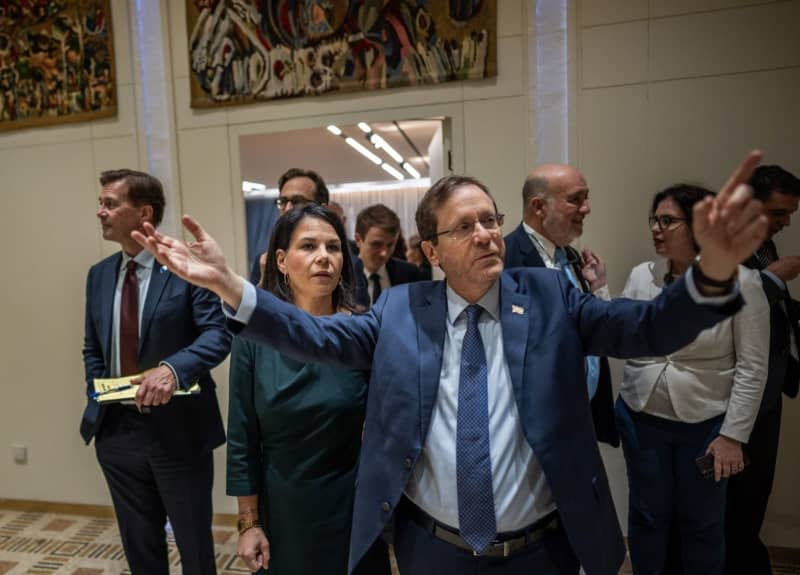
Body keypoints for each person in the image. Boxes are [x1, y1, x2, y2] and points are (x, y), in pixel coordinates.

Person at [134, 152, 768, 575]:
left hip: (542, 549)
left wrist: (712, 273)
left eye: (491, 220)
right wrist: (230, 288)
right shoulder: (400, 311)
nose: (488, 234)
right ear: (433, 251)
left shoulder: (550, 298)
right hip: (432, 547)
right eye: (467, 227)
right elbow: (315, 336)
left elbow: (648, 327)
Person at [81, 169, 231, 574]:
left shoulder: (186, 267)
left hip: (178, 431)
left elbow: (218, 336)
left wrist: (172, 370)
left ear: (144, 212)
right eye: (101, 203)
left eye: (110, 204)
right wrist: (100, 394)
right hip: (117, 434)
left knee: (194, 547)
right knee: (140, 547)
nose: (100, 212)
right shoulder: (98, 276)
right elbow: (92, 349)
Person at [227, 204, 390, 574]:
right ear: (281, 261)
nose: (324, 258)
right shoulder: (254, 339)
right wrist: (248, 522)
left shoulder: (365, 334)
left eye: (333, 248)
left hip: (354, 507)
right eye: (309, 247)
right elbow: (242, 437)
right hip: (284, 508)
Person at [617, 184, 769, 575]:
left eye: (667, 221)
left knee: (702, 525)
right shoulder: (642, 276)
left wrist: (733, 435)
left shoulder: (743, 282)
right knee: (648, 518)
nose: (656, 229)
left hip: (707, 424)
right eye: (654, 219)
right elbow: (622, 331)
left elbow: (753, 367)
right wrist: (599, 288)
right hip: (641, 414)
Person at [504, 163, 617, 445]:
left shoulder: (575, 260)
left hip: (581, 419)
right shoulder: (505, 261)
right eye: (575, 199)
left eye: (586, 198)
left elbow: (595, 332)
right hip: (532, 429)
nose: (587, 208)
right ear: (539, 206)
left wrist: (598, 289)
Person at [725, 165, 800, 575]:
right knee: (736, 501)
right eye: (778, 212)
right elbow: (719, 310)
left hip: (769, 393)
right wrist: (772, 281)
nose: (786, 222)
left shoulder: (764, 243)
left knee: (755, 497)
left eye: (791, 213)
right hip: (737, 399)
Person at [248, 168, 369, 306]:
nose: (287, 209)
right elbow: (252, 318)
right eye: (283, 201)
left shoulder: (349, 263)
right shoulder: (264, 261)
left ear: (322, 208)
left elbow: (359, 313)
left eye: (298, 201)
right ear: (281, 260)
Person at [355, 203, 421, 304]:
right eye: (376, 244)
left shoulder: (409, 274)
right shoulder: (342, 277)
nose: (384, 253)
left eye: (390, 245)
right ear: (358, 240)